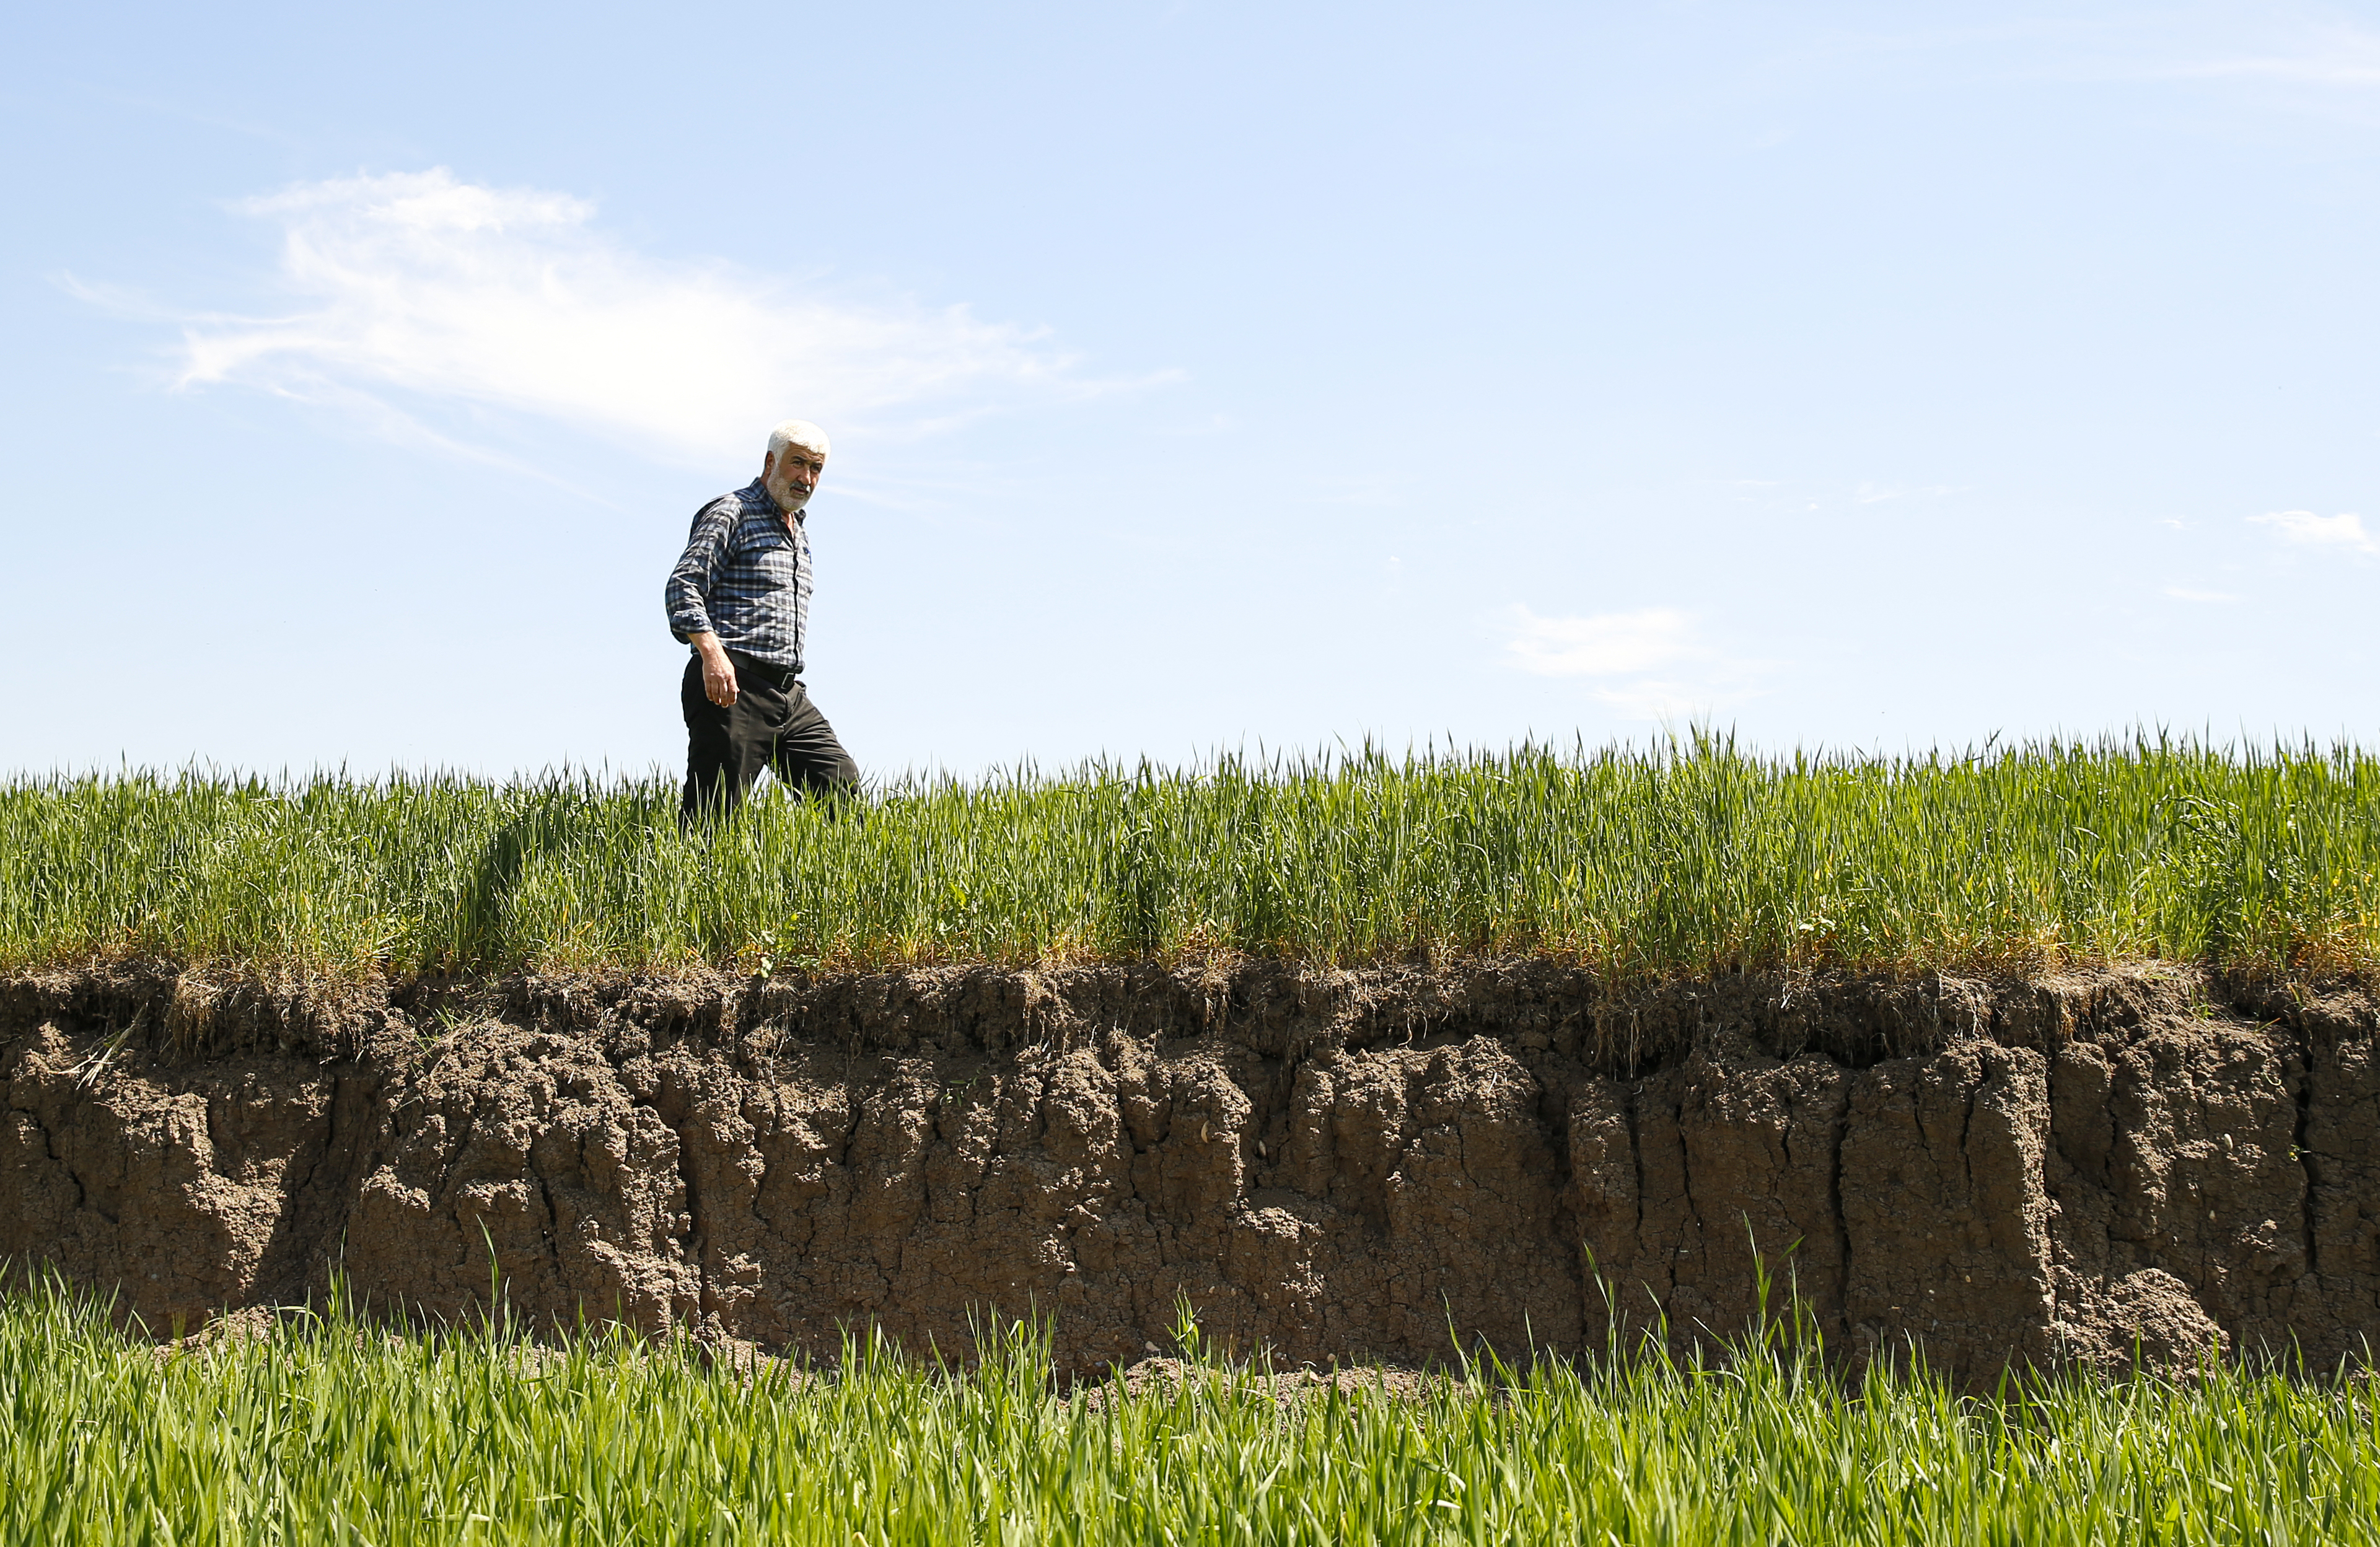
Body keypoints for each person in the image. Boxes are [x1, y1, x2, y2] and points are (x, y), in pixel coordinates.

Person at [664, 419, 861, 820]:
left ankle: (839, 882)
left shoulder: (797, 531)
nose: (806, 477)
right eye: (798, 463)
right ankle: (691, 881)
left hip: (787, 694)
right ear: (771, 461)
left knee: (839, 785)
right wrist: (712, 656)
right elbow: (683, 587)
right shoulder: (732, 511)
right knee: (713, 817)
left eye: (816, 468)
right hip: (733, 688)